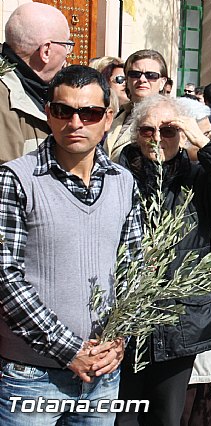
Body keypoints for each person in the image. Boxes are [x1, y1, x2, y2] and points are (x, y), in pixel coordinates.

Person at [0, 65, 141, 424]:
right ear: (49, 113)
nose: (76, 123)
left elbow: (134, 266)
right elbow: (5, 276)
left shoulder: (124, 182)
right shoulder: (16, 180)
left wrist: (118, 337)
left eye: (89, 112)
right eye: (64, 111)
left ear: (107, 118)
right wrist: (69, 349)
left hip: (102, 374)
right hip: (30, 375)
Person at [115, 94, 211, 426]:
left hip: (178, 322)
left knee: (165, 418)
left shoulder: (198, 180)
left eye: (168, 130)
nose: (157, 138)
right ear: (135, 134)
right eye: (147, 130)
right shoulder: (116, 177)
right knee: (116, 417)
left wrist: (202, 141)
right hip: (124, 321)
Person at [0, 2, 72, 163]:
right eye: (67, 45)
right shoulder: (4, 98)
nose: (68, 55)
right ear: (46, 51)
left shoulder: (41, 90)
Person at [105, 49, 169, 163]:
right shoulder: (121, 113)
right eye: (135, 74)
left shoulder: (168, 117)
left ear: (163, 82)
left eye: (151, 75)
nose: (142, 80)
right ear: (127, 80)